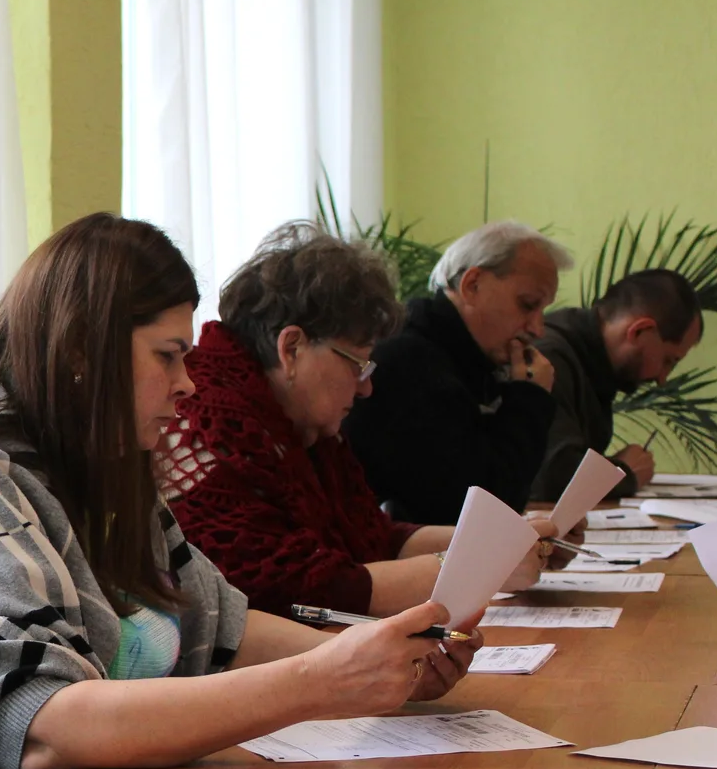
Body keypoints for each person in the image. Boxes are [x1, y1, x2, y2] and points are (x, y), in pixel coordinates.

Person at [0, 214, 478, 769]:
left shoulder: (103, 458)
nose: (188, 383)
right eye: (167, 355)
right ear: (81, 353)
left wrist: (379, 664)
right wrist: (320, 681)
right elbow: (46, 729)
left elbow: (219, 628)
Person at [167, 223, 552, 618]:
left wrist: (498, 539)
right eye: (359, 364)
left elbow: (375, 539)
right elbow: (292, 591)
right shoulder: (206, 426)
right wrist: (479, 565)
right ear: (292, 348)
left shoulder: (299, 423)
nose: (367, 388)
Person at [342, 220, 573, 523]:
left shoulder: (455, 356)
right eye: (527, 304)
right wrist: (529, 399)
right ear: (472, 285)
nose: (538, 329)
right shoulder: (412, 364)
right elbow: (476, 513)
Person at [530, 268, 703, 501]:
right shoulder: (549, 358)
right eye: (668, 360)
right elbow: (554, 478)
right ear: (640, 331)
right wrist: (624, 473)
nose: (662, 378)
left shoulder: (592, 362)